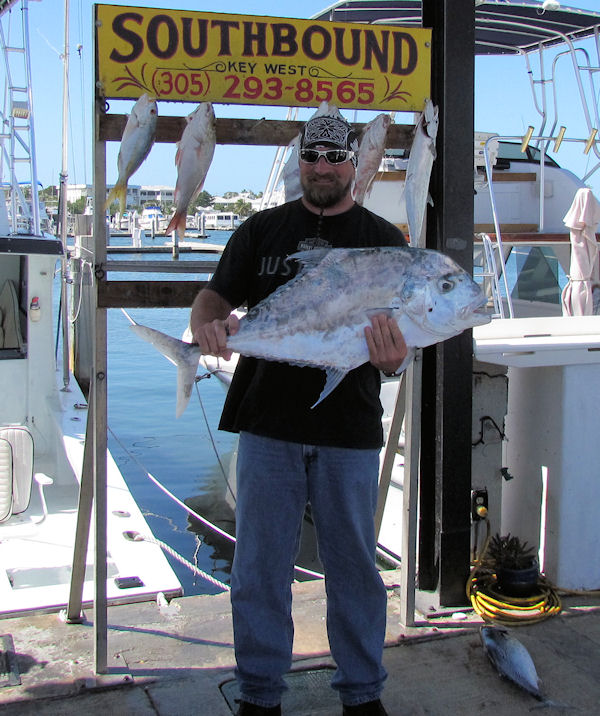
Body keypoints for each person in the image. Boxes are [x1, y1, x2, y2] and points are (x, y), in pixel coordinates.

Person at [190, 114, 408, 716]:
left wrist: (394, 362)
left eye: (336, 158)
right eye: (313, 157)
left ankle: (362, 694)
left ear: (353, 165)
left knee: (356, 570)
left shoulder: (386, 242)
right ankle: (260, 694)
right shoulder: (260, 231)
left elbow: (397, 354)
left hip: (350, 431)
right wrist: (204, 326)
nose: (323, 168)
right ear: (301, 161)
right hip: (268, 425)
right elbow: (215, 296)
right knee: (259, 566)